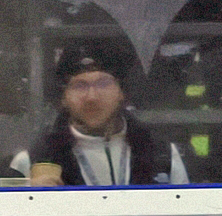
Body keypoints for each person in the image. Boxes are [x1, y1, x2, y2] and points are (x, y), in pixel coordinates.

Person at [20, 41, 185, 187]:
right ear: (64, 98)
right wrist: (29, 195)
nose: (92, 97)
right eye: (79, 86)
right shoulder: (35, 159)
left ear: (121, 92)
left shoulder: (161, 154)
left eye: (103, 84)